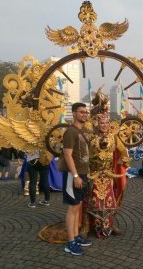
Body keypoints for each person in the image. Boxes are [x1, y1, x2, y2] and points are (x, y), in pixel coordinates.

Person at [61, 102, 92, 256]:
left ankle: (76, 236)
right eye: (81, 112)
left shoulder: (84, 130)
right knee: (72, 208)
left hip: (83, 173)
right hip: (73, 174)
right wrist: (75, 176)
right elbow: (67, 154)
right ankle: (70, 242)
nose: (84, 115)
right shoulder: (70, 132)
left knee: (78, 205)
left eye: (86, 112)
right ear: (73, 113)